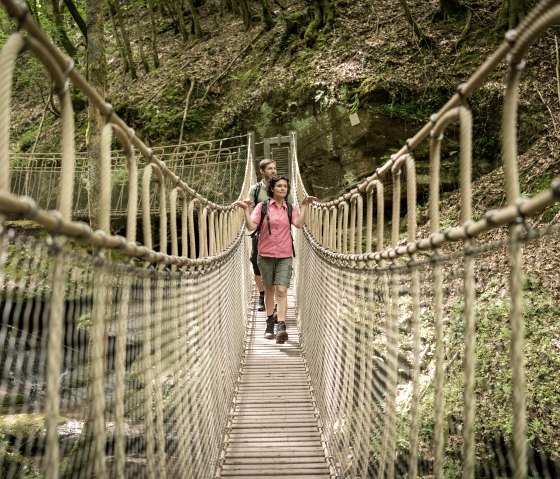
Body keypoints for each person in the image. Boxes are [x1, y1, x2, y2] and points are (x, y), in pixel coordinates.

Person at [234, 176, 316, 343]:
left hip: (285, 255)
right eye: (279, 186)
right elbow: (251, 227)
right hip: (265, 255)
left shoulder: (290, 208)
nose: (283, 188)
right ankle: (269, 322)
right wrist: (245, 211)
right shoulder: (261, 206)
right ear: (272, 189)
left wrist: (305, 206)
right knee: (269, 290)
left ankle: (281, 326)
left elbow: (299, 225)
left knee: (282, 290)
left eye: (285, 186)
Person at [247, 159, 277, 311]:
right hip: (259, 232)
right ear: (262, 171)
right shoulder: (255, 189)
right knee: (255, 261)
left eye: (274, 168)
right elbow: (250, 209)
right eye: (270, 168)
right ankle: (262, 293)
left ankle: (274, 300)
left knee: (276, 264)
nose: (273, 171)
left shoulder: (281, 186)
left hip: (278, 233)